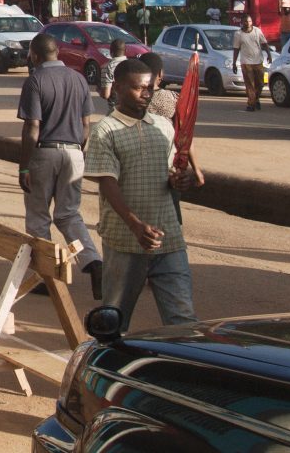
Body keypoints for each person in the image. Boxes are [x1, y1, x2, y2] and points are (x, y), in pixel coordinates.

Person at [86, 58, 203, 331]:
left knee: (183, 321)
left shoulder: (163, 127)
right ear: (117, 88)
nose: (146, 94)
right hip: (125, 243)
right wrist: (135, 225)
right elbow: (107, 183)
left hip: (169, 239)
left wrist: (180, 180)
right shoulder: (105, 131)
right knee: (114, 321)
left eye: (150, 88)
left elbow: (170, 174)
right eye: (139, 89)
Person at [17, 33, 104, 298]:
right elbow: (87, 124)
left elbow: (33, 126)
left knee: (38, 217)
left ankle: (48, 275)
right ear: (57, 52)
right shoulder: (78, 79)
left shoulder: (35, 81)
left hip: (45, 152)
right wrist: (79, 150)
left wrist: (24, 166)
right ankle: (92, 260)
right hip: (75, 152)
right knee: (68, 214)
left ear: (34, 55)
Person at [232, 14, 273, 112]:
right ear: (242, 22)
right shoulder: (238, 34)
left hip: (258, 61)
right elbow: (236, 49)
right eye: (246, 21)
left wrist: (269, 55)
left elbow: (264, 44)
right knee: (250, 84)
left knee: (261, 83)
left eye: (249, 21)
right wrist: (234, 63)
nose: (248, 23)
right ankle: (251, 104)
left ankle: (256, 99)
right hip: (246, 63)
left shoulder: (257, 31)